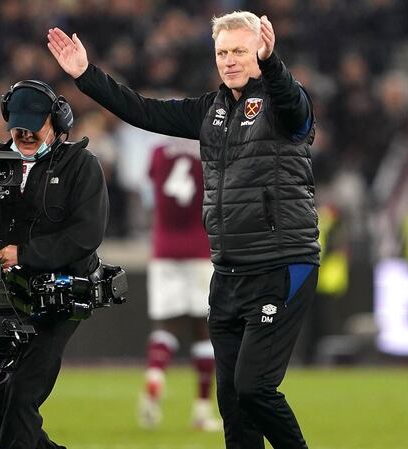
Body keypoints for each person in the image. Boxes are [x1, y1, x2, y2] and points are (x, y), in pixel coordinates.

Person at [48, 11, 320, 449]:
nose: (229, 60)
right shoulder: (211, 110)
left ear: (260, 51)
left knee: (254, 388)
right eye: (222, 52)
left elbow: (295, 105)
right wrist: (85, 75)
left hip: (280, 264)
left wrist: (273, 65)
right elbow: (143, 110)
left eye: (240, 51)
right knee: (232, 403)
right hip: (227, 271)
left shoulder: (282, 103)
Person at [0, 79, 109, 449]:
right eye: (18, 126)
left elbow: (87, 235)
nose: (26, 133)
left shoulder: (81, 165)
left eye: (34, 124)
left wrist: (25, 254)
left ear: (57, 121)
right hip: (6, 298)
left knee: (21, 396)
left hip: (59, 299)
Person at [139, 137, 221, 432]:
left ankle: (155, 377)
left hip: (164, 249)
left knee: (166, 326)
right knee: (204, 331)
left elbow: (149, 192)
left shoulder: (158, 151)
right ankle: (201, 410)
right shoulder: (209, 148)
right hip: (200, 248)